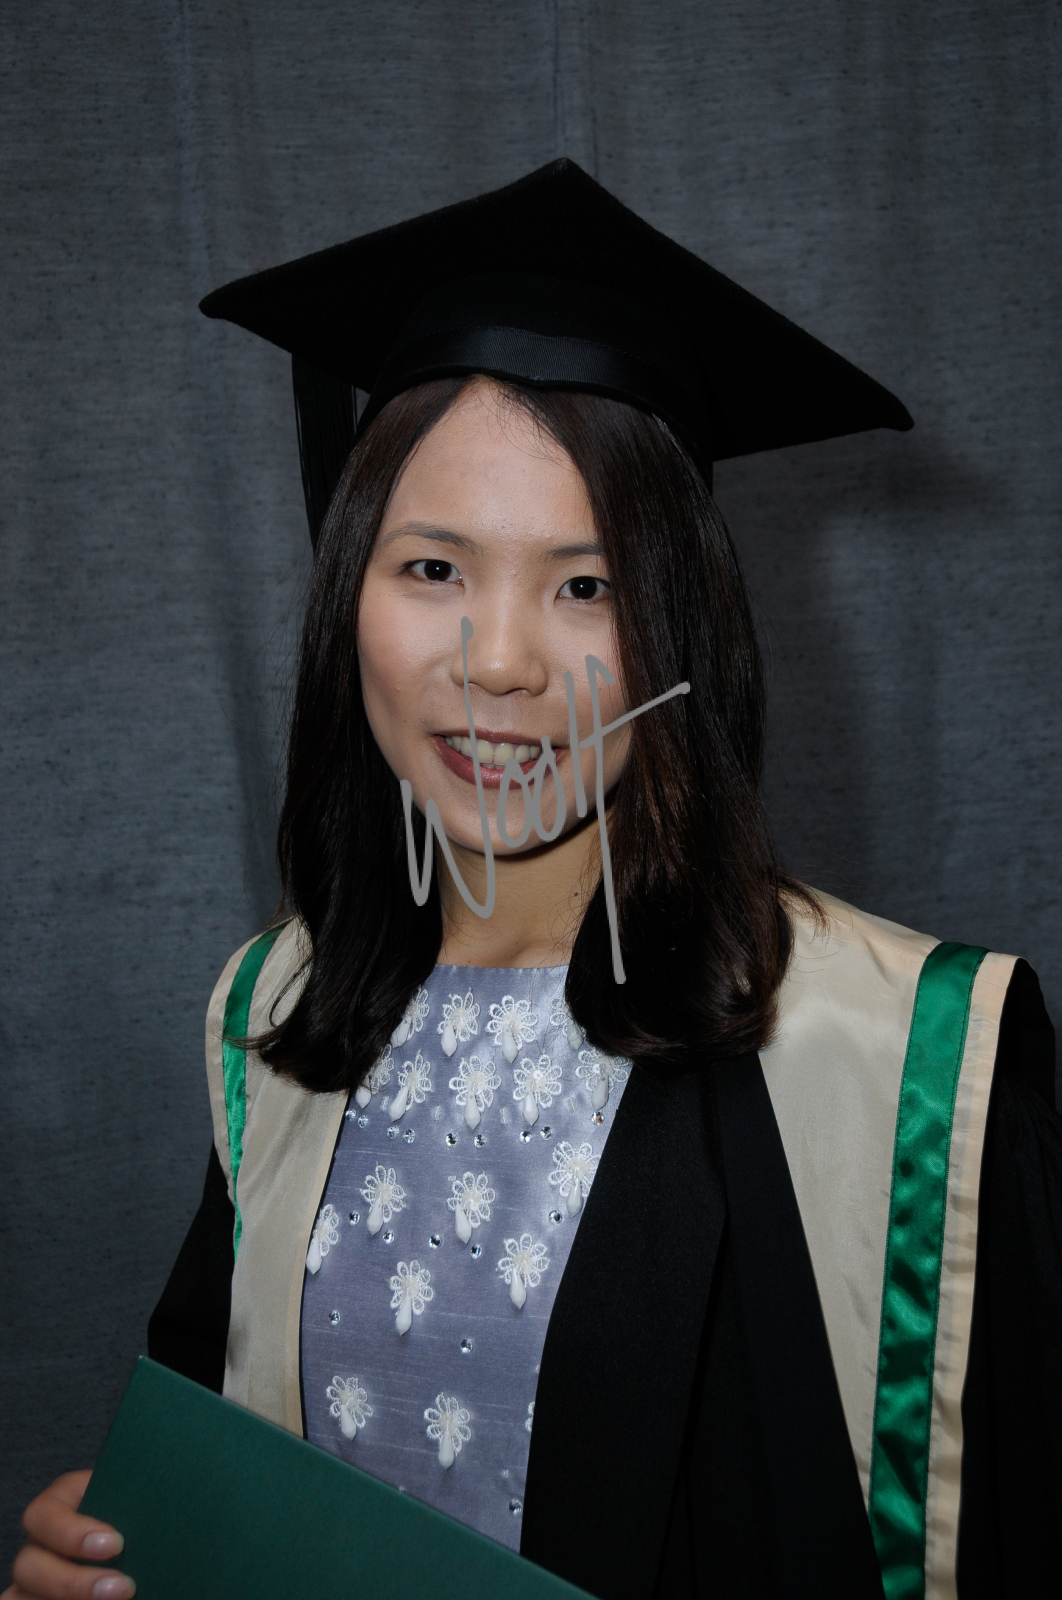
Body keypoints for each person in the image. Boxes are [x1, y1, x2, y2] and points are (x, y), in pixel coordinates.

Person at [7, 161, 1059, 1600]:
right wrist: (111, 1558)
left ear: (682, 628)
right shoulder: (279, 1014)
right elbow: (225, 1485)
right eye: (432, 568)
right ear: (346, 598)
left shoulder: (907, 1059)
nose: (497, 663)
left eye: (588, 585)